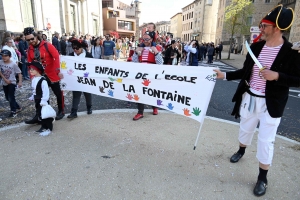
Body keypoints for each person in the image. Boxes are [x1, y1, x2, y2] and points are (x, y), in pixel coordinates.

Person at [213, 5, 300, 197]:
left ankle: (262, 177)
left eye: (263, 26)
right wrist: (224, 76)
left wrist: (277, 76)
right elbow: (245, 72)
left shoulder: (291, 51)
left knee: (266, 141)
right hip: (250, 98)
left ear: (276, 28)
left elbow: (298, 79)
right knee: (245, 128)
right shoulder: (256, 47)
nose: (260, 29)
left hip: (272, 104)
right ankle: (241, 150)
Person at [23, 27, 65, 122]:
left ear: (36, 36)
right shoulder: (29, 49)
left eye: (32, 39)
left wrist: (58, 70)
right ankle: (41, 115)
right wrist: (32, 77)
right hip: (40, 76)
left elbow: (56, 57)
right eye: (28, 40)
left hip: (52, 74)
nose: (31, 41)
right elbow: (30, 64)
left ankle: (61, 111)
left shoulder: (47, 45)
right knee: (40, 96)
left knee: (58, 93)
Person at [131, 32, 163, 120]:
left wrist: (156, 52)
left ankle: (155, 107)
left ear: (152, 39)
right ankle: (140, 112)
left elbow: (160, 63)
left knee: (152, 92)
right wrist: (136, 53)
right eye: (143, 39)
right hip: (141, 74)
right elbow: (134, 63)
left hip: (152, 75)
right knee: (139, 92)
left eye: (147, 39)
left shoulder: (157, 48)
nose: (145, 41)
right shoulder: (139, 48)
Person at [67, 39, 93, 119]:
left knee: (87, 94)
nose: (75, 50)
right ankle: (74, 112)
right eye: (73, 48)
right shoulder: (70, 56)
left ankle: (89, 107)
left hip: (86, 79)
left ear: (81, 48)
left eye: (77, 48)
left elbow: (93, 67)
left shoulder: (88, 56)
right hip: (76, 79)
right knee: (76, 95)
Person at [27, 61, 54, 136]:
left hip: (42, 100)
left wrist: (44, 100)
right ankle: (43, 124)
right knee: (39, 113)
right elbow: (34, 90)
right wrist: (33, 96)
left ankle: (47, 126)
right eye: (30, 69)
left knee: (44, 113)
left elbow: (46, 92)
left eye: (32, 69)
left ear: (38, 70)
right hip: (37, 99)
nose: (30, 71)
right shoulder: (34, 79)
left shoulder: (43, 80)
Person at [0, 50, 22, 118]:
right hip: (5, 82)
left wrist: (20, 82)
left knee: (11, 97)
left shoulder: (13, 64)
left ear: (10, 56)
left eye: (6, 56)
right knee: (7, 97)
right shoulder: (0, 62)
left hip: (12, 82)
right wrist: (5, 79)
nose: (4, 57)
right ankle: (17, 106)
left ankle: (13, 111)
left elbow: (19, 73)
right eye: (2, 56)